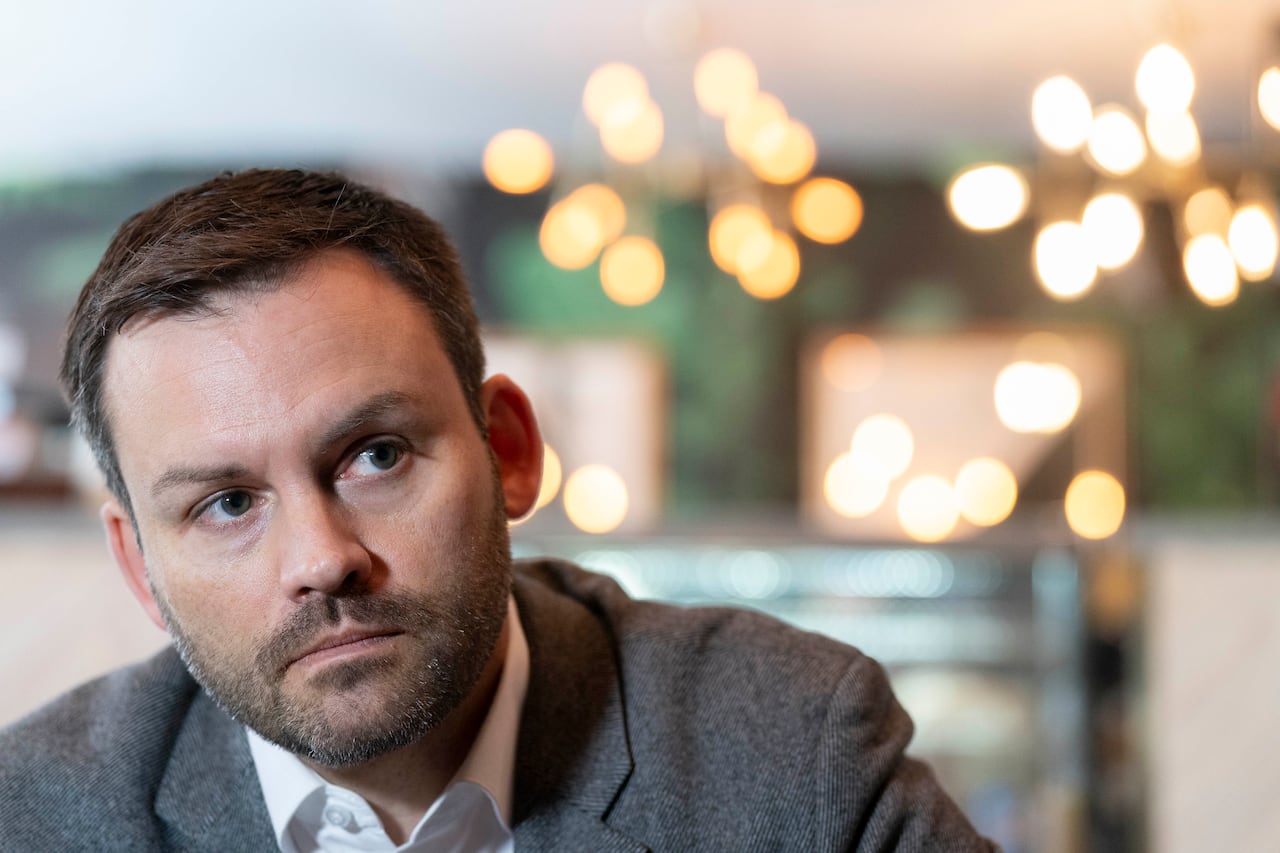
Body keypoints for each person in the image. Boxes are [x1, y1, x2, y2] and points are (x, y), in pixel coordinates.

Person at [0, 169, 993, 852]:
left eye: (374, 456)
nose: (322, 557)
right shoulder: (35, 817)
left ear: (507, 451)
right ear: (141, 571)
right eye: (224, 504)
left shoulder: (789, 746)